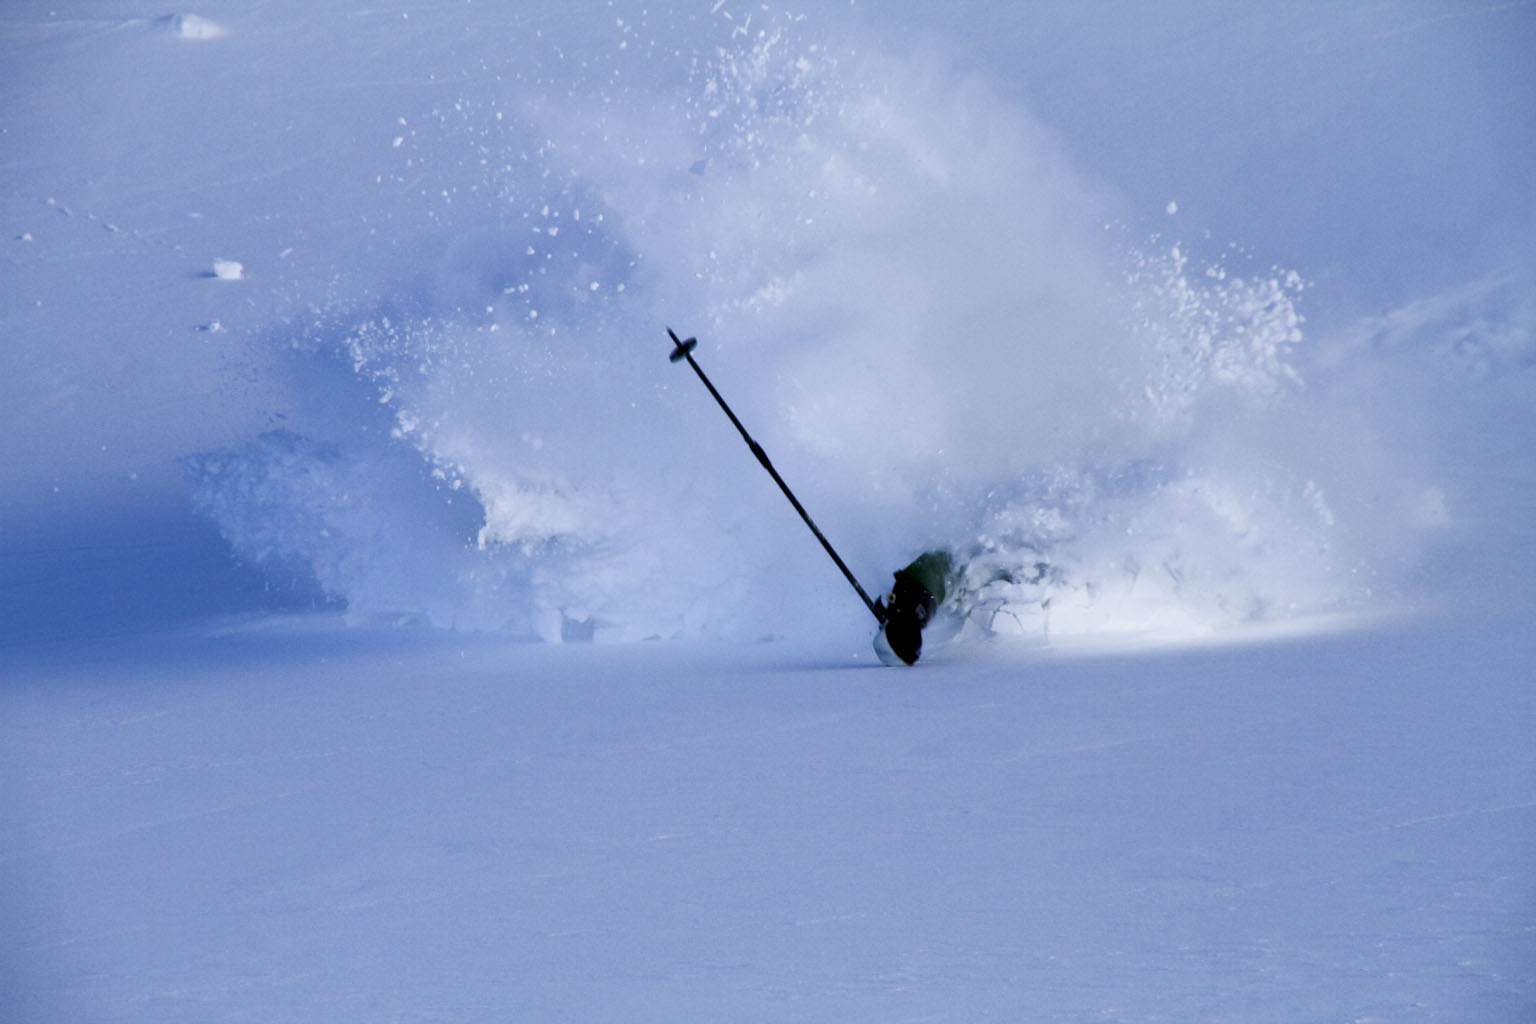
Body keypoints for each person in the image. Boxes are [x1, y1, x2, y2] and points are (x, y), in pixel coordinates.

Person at [880, 550, 954, 665]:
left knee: (949, 557)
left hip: (924, 588)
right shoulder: (906, 619)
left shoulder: (905, 618)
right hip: (921, 585)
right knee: (949, 558)